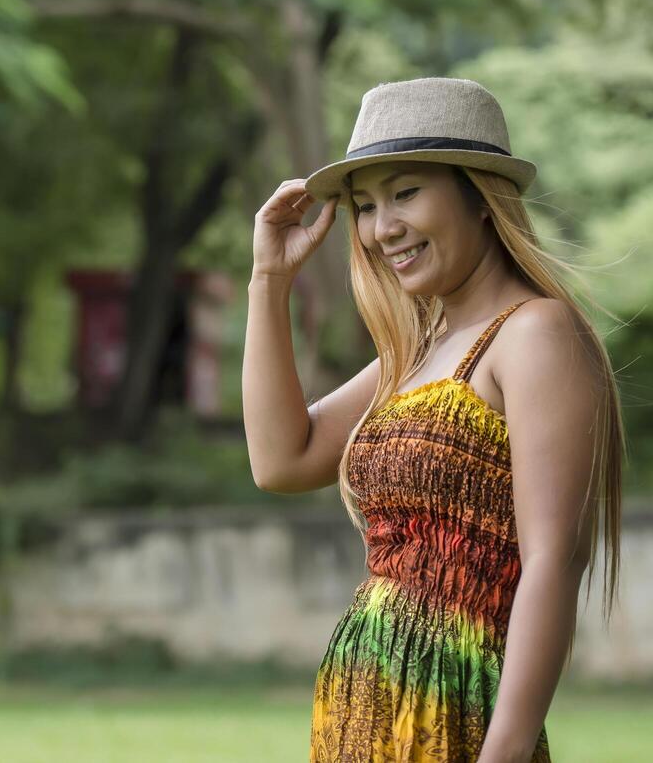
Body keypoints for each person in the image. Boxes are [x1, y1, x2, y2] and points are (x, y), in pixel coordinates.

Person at [243, 77, 625, 763]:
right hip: (361, 711)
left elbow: (553, 558)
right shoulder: (417, 350)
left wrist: (501, 753)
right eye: (363, 205)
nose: (381, 227)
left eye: (405, 192)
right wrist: (268, 282)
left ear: (479, 197)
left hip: (453, 711)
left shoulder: (532, 332)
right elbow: (279, 460)